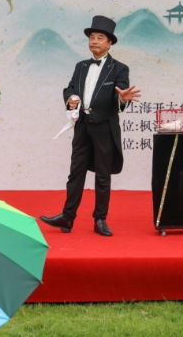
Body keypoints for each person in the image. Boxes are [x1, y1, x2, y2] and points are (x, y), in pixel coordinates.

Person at [40, 15, 141, 236]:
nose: (94, 41)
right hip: (82, 126)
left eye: (100, 38)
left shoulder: (119, 68)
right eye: (92, 37)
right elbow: (69, 88)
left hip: (104, 127)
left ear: (110, 43)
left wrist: (123, 98)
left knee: (103, 175)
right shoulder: (81, 66)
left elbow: (120, 93)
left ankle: (100, 219)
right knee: (75, 172)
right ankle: (67, 217)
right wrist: (70, 98)